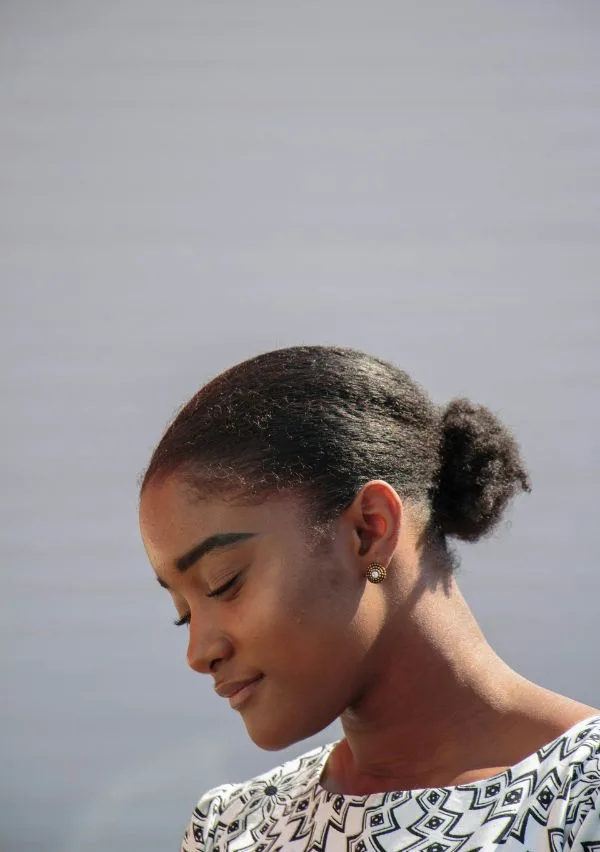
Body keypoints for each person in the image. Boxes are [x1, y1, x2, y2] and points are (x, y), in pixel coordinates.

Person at [138, 345, 600, 851]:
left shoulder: (581, 799)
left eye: (224, 582)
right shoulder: (231, 828)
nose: (200, 653)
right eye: (183, 614)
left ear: (368, 531)